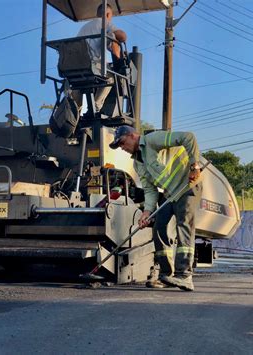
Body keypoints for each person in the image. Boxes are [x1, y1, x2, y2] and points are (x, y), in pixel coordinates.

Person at [109, 125, 203, 291]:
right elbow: (150, 190)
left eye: (122, 143)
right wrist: (146, 212)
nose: (122, 148)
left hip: (186, 187)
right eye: (120, 146)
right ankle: (166, 275)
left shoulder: (153, 140)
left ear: (132, 136)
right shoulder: (138, 163)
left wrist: (195, 166)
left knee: (184, 226)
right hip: (170, 194)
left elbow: (188, 137)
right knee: (159, 227)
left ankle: (185, 276)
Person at [73, 3, 127, 113]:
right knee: (111, 76)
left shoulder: (85, 27)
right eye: (111, 16)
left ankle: (74, 111)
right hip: (90, 66)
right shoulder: (105, 23)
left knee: (77, 82)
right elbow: (123, 36)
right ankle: (96, 106)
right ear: (107, 14)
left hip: (75, 67)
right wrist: (113, 35)